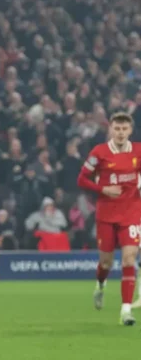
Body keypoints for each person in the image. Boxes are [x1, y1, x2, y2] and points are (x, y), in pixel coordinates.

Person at [77, 112, 141, 326]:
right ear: (111, 129)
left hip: (131, 213)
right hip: (106, 214)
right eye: (117, 128)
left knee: (129, 260)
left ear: (130, 130)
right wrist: (103, 189)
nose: (121, 133)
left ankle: (125, 311)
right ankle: (101, 285)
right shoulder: (99, 152)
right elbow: (82, 179)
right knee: (106, 262)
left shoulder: (138, 151)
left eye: (124, 129)